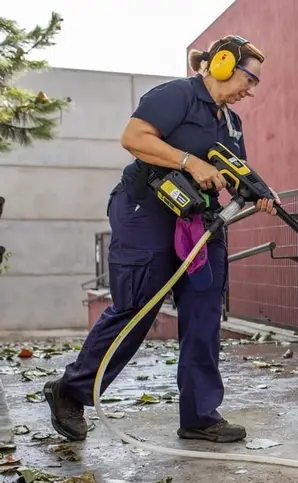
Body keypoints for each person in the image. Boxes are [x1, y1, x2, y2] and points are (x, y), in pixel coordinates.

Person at [44, 35, 278, 444]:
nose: (252, 89)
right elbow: (134, 138)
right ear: (222, 64)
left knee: (204, 313)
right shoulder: (176, 96)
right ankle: (71, 391)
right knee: (138, 306)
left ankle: (200, 416)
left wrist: (259, 192)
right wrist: (188, 161)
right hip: (148, 210)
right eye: (249, 78)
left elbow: (234, 168)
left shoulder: (231, 123)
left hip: (199, 217)